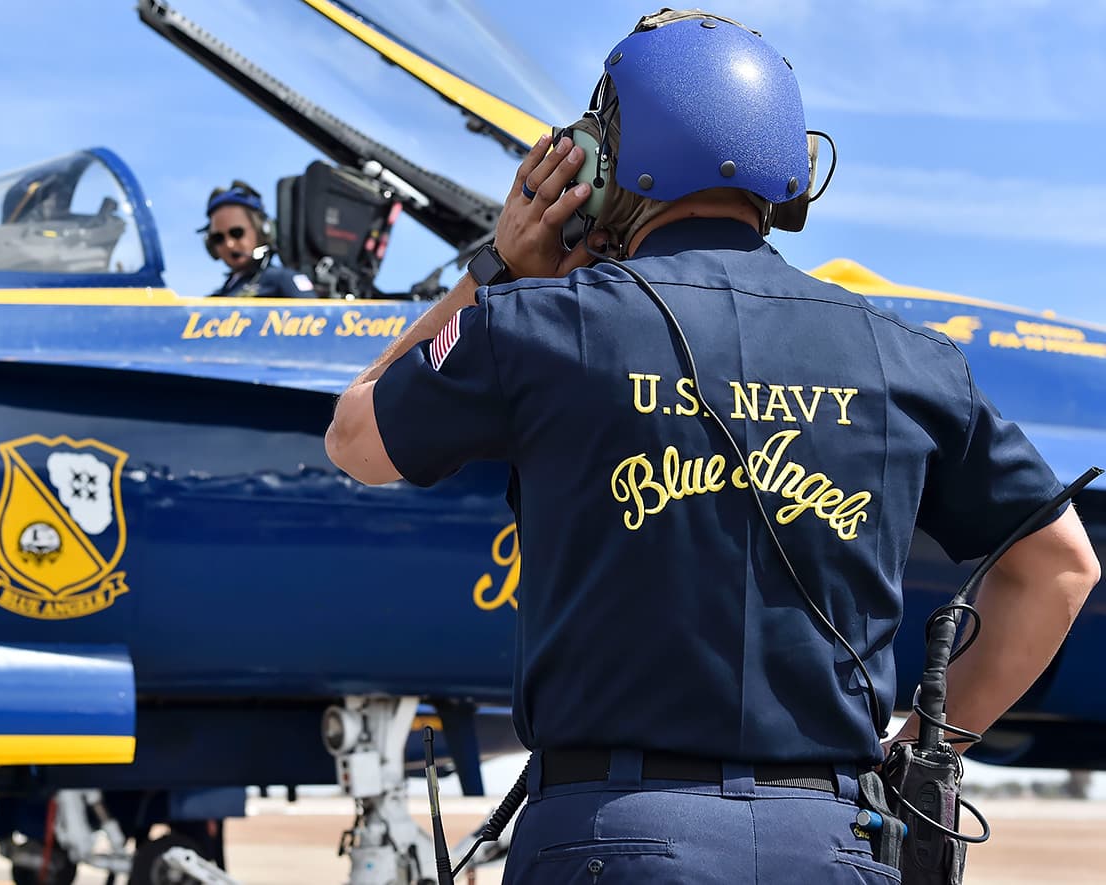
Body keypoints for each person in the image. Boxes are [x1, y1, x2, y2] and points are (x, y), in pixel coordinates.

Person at [325, 9, 1099, 884]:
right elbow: (1059, 568)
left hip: (611, 837)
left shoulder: (535, 327)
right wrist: (918, 749)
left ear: (608, 162)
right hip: (837, 843)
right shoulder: (908, 356)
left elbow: (355, 437)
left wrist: (495, 268)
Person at [200, 180, 313, 298]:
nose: (229, 244)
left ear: (263, 231)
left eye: (237, 233)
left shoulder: (283, 280)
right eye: (218, 238)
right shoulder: (216, 298)